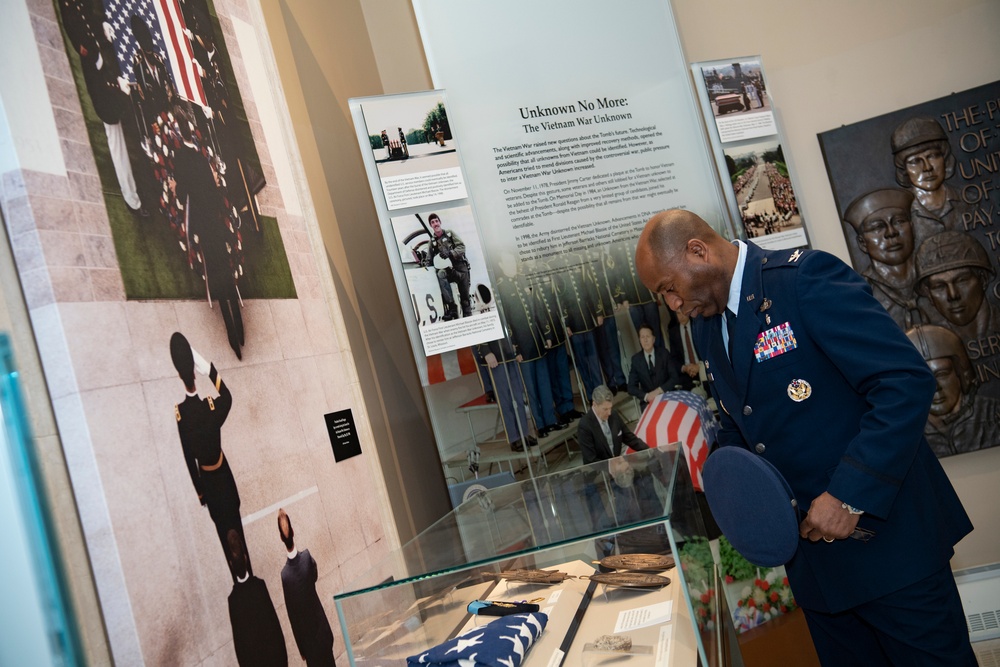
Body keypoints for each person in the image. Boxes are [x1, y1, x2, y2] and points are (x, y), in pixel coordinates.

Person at [635, 209, 975, 666]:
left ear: (699, 251)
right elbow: (746, 424)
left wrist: (849, 495)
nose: (672, 305)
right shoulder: (706, 326)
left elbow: (904, 382)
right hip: (818, 572)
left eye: (669, 289)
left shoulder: (803, 278)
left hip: (889, 550)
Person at [171, 332, 250, 580]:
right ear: (194, 372)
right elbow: (227, 396)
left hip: (208, 481)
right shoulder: (210, 407)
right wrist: (210, 370)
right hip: (223, 474)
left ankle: (236, 576)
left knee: (222, 530)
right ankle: (248, 573)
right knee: (237, 528)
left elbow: (187, 457)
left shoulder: (181, 414)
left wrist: (200, 492)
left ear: (179, 375)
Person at [171, 106, 245, 359]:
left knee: (216, 273)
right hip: (214, 219)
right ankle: (239, 326)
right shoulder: (202, 159)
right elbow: (213, 192)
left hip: (202, 223)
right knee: (224, 267)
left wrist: (175, 188)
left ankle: (233, 334)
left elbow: (183, 194)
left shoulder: (180, 158)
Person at [843, 188, 931, 330]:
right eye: (877, 227)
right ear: (862, 243)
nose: (891, 232)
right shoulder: (862, 296)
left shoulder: (937, 279)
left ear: (913, 229)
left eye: (898, 222)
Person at [906, 325, 1000, 457]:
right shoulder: (907, 431)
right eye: (923, 378)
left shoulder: (992, 412)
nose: (935, 387)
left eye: (942, 374)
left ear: (962, 374)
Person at [891, 116, 973, 246]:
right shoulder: (898, 215)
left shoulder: (971, 201)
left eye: (933, 156)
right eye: (915, 161)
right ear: (904, 169)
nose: (927, 167)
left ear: (945, 159)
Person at [915, 231, 1000, 345]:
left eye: (962, 280)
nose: (953, 295)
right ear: (928, 294)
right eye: (939, 286)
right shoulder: (933, 343)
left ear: (983, 279)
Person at [277, 509, 336, 667]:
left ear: (281, 538)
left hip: (309, 645)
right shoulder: (307, 557)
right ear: (293, 532)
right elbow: (314, 576)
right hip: (322, 634)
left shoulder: (285, 576)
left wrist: (301, 649)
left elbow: (292, 616)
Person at [227, 529, 288, 667]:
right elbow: (274, 625)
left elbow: (239, 646)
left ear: (231, 564)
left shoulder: (233, 600)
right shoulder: (259, 586)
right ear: (245, 558)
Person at [577, 385, 649, 464]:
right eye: (605, 409)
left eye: (610, 408)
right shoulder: (585, 425)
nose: (609, 412)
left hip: (618, 466)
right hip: (601, 471)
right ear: (594, 405)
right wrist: (613, 467)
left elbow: (630, 438)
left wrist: (649, 450)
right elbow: (590, 459)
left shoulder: (613, 415)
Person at [426, 213, 472, 321]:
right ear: (430, 225)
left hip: (461, 269)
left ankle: (469, 319)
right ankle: (452, 308)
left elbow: (462, 247)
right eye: (432, 222)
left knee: (465, 300)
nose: (435, 224)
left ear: (440, 222)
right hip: (449, 271)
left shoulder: (450, 234)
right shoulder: (432, 242)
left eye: (436, 221)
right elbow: (429, 259)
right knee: (440, 273)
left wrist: (450, 253)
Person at [627, 323, 683, 412]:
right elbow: (631, 387)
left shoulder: (664, 353)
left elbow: (674, 377)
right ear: (639, 340)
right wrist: (646, 396)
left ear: (653, 339)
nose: (645, 340)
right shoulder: (636, 360)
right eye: (642, 337)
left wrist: (659, 391)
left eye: (648, 337)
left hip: (666, 395)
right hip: (648, 402)